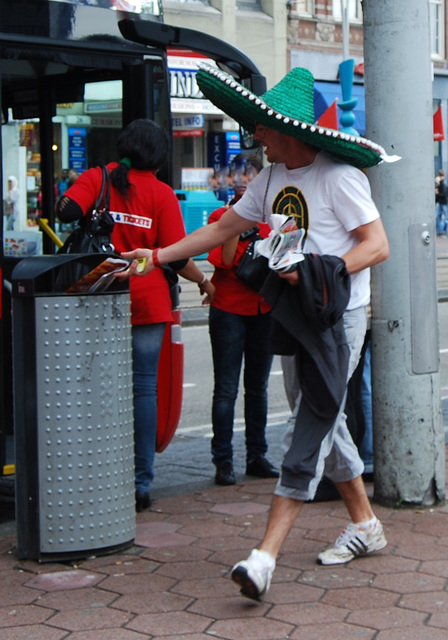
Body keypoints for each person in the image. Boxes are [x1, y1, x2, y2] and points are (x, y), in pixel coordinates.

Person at [119, 66, 396, 599]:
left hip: (339, 319)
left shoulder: (340, 176)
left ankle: (264, 557)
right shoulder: (270, 180)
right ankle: (365, 523)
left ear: (287, 131)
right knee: (321, 415)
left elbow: (376, 245)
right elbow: (221, 229)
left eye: (262, 128)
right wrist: (155, 256)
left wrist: (318, 270)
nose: (255, 136)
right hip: (296, 314)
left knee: (308, 425)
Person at [56, 118, 214, 513]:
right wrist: (205, 283)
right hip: (147, 302)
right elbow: (176, 257)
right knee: (143, 390)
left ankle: (94, 474)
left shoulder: (99, 178)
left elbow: (65, 212)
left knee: (93, 389)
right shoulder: (161, 194)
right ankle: (141, 482)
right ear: (160, 157)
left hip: (97, 299)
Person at [207, 154, 279, 486]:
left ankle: (257, 455)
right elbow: (222, 260)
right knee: (226, 388)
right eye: (238, 175)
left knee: (258, 388)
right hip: (228, 310)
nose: (243, 180)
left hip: (263, 310)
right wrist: (237, 219)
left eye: (250, 175)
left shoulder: (274, 219)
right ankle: (223, 460)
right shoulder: (221, 216)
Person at [435, 169, 447, 235]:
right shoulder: (440, 184)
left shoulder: (442, 184)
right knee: (439, 216)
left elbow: (444, 194)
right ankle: (440, 230)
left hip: (443, 202)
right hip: (441, 202)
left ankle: (440, 230)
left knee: (443, 217)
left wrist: (437, 193)